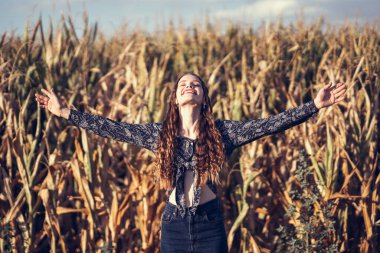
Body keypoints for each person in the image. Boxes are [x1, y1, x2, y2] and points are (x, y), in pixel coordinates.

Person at [35, 73, 347, 252]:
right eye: (183, 83)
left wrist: (314, 105)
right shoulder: (159, 135)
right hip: (173, 226)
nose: (189, 85)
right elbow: (112, 128)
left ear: (204, 97)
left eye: (195, 83)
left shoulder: (223, 132)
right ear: (174, 98)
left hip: (209, 224)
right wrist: (66, 114)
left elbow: (271, 123)